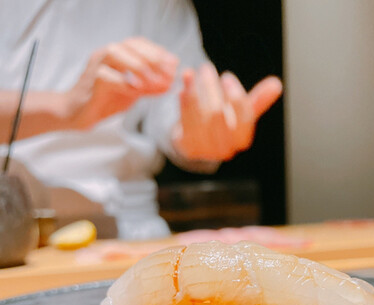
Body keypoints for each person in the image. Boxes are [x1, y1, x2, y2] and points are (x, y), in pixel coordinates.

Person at [0, 0, 282, 239]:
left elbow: (176, 112)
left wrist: (202, 132)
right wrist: (64, 108)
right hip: (11, 223)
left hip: (131, 225)